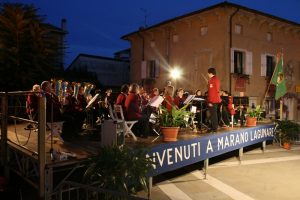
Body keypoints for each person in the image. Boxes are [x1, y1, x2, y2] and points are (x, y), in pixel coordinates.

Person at [207, 67, 221, 132]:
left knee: (213, 114)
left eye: (208, 73)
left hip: (213, 100)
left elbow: (212, 92)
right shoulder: (217, 79)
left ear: (210, 73)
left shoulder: (211, 80)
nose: (207, 74)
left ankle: (214, 128)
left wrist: (210, 101)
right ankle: (214, 127)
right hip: (216, 99)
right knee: (214, 114)